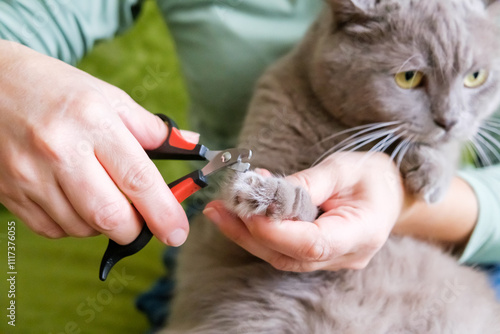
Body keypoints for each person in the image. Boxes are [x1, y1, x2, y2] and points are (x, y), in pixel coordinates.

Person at [1, 0, 499, 330]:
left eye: (475, 77)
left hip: (447, 262)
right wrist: (10, 77)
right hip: (251, 273)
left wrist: (400, 200)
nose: (451, 118)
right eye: (411, 77)